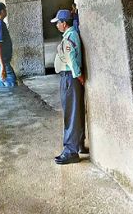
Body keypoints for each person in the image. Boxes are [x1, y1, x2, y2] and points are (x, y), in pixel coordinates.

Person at [51, 10, 86, 165]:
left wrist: (79, 76)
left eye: (58, 22)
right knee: (75, 111)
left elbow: (71, 59)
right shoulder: (71, 35)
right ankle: (78, 144)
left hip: (70, 78)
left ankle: (70, 151)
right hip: (71, 78)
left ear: (64, 23)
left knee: (70, 114)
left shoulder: (70, 37)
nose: (57, 25)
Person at [0, 2, 16, 87]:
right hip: (0, 64)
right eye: (5, 9)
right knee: (12, 87)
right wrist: (3, 67)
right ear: (2, 11)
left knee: (3, 91)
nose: (6, 11)